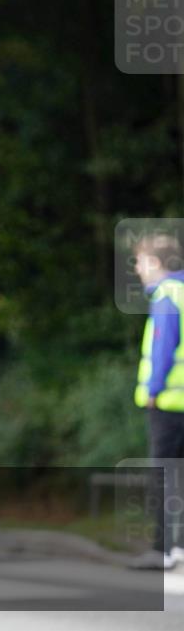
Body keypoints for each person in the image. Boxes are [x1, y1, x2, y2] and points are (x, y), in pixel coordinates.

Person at [132, 233, 184, 570]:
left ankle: (162, 549)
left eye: (139, 261)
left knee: (165, 477)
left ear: (154, 262)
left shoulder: (167, 295)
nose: (137, 269)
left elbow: (163, 348)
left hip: (168, 405)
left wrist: (152, 390)